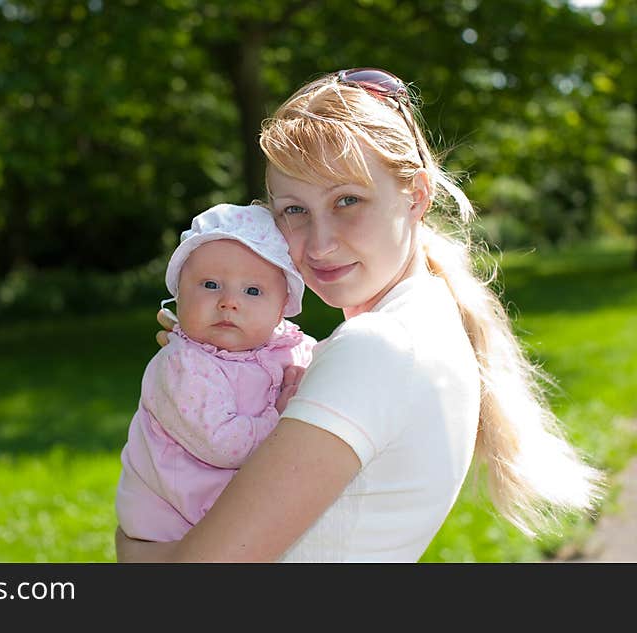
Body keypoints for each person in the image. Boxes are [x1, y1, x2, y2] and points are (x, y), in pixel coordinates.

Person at [116, 67, 606, 562]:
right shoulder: (422, 320)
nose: (320, 242)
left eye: (347, 200)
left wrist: (134, 548)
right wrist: (220, 366)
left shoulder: (377, 347)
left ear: (417, 195)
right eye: (293, 210)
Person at [115, 202, 316, 542]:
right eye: (209, 285)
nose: (228, 302)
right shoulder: (184, 365)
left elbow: (324, 365)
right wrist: (282, 418)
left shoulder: (288, 346)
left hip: (232, 512)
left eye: (252, 291)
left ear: (282, 307)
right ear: (178, 294)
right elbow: (223, 445)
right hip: (178, 521)